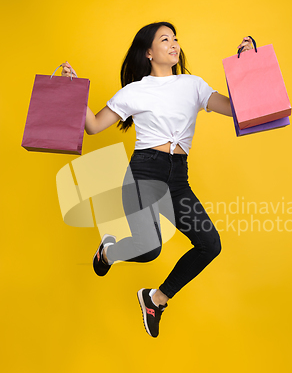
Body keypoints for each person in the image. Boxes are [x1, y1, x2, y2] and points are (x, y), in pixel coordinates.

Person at [61, 22, 253, 338]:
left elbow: (236, 110)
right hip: (144, 174)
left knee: (209, 245)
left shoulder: (193, 85)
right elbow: (93, 126)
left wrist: (245, 66)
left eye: (175, 38)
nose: (173, 43)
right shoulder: (135, 91)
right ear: (149, 52)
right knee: (150, 250)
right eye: (165, 39)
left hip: (177, 177)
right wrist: (74, 90)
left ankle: (156, 298)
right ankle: (107, 252)